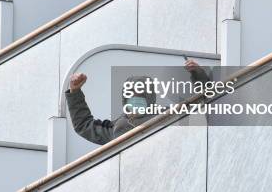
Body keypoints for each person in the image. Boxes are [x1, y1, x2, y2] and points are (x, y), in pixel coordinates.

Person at [65, 59, 210, 145]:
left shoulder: (166, 116)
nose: (135, 101)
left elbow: (198, 103)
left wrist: (198, 74)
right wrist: (75, 92)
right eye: (131, 96)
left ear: (150, 98)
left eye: (141, 96)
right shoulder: (116, 127)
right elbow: (84, 126)